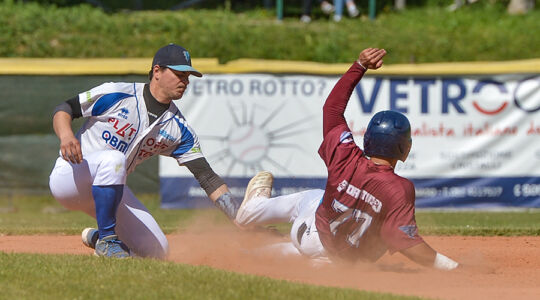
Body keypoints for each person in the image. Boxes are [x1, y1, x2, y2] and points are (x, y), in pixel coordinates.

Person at [235, 48, 460, 271]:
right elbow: (405, 241)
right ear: (404, 148)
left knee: (314, 199)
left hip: (309, 234)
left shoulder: (346, 156)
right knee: (379, 227)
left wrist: (359, 66)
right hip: (341, 261)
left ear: (369, 139)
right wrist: (453, 268)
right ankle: (256, 252)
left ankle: (251, 214)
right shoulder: (400, 190)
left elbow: (331, 108)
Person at [49, 43, 241, 259]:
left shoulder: (177, 127)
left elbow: (207, 177)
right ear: (157, 71)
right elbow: (65, 108)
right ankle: (107, 240)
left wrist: (240, 219)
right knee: (114, 159)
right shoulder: (117, 93)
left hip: (110, 190)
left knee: (158, 252)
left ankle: (99, 237)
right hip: (72, 177)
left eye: (188, 76)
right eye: (179, 74)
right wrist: (66, 136)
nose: (185, 81)